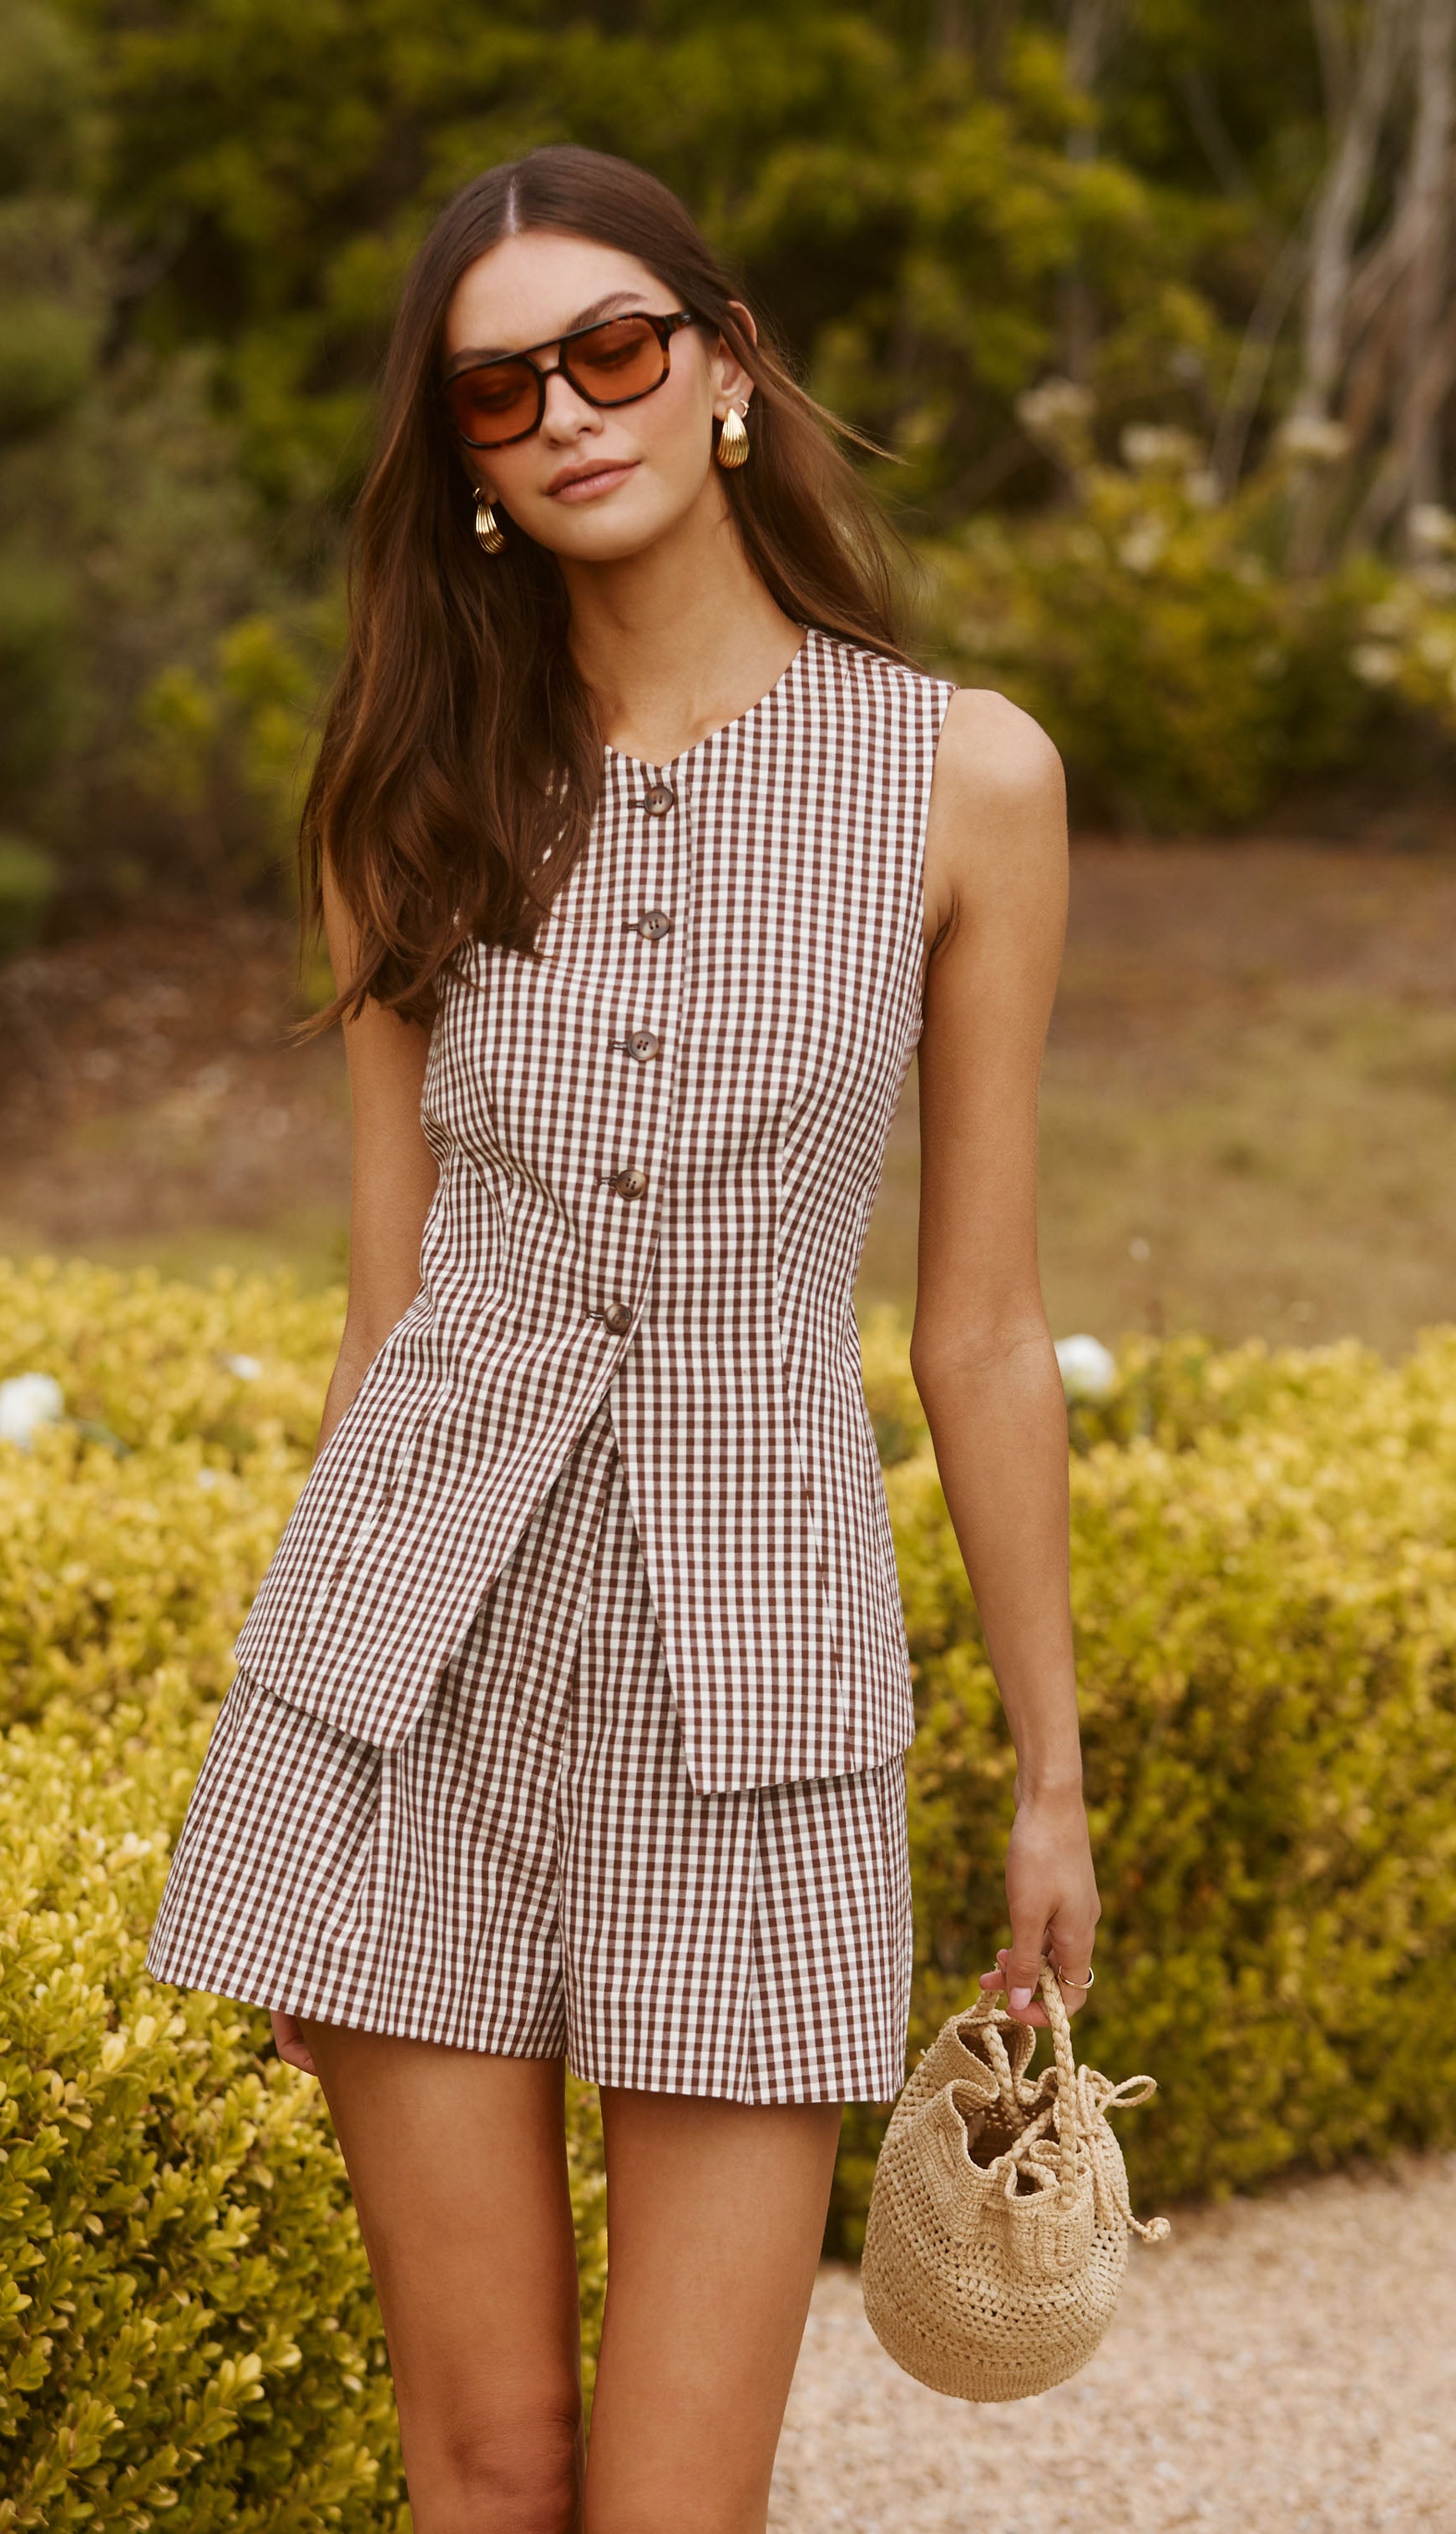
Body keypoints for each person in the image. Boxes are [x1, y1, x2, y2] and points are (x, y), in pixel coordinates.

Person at [147, 143, 1099, 2534]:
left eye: (611, 350)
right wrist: (300, 1768)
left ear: (726, 369)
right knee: (485, 2462)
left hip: (756, 1694)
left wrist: (1047, 1773)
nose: (567, 413)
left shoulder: (962, 775)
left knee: (680, 2497)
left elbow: (978, 1322)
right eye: (498, 391)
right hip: (411, 1681)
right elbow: (390, 1308)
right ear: (458, 458)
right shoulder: (410, 787)